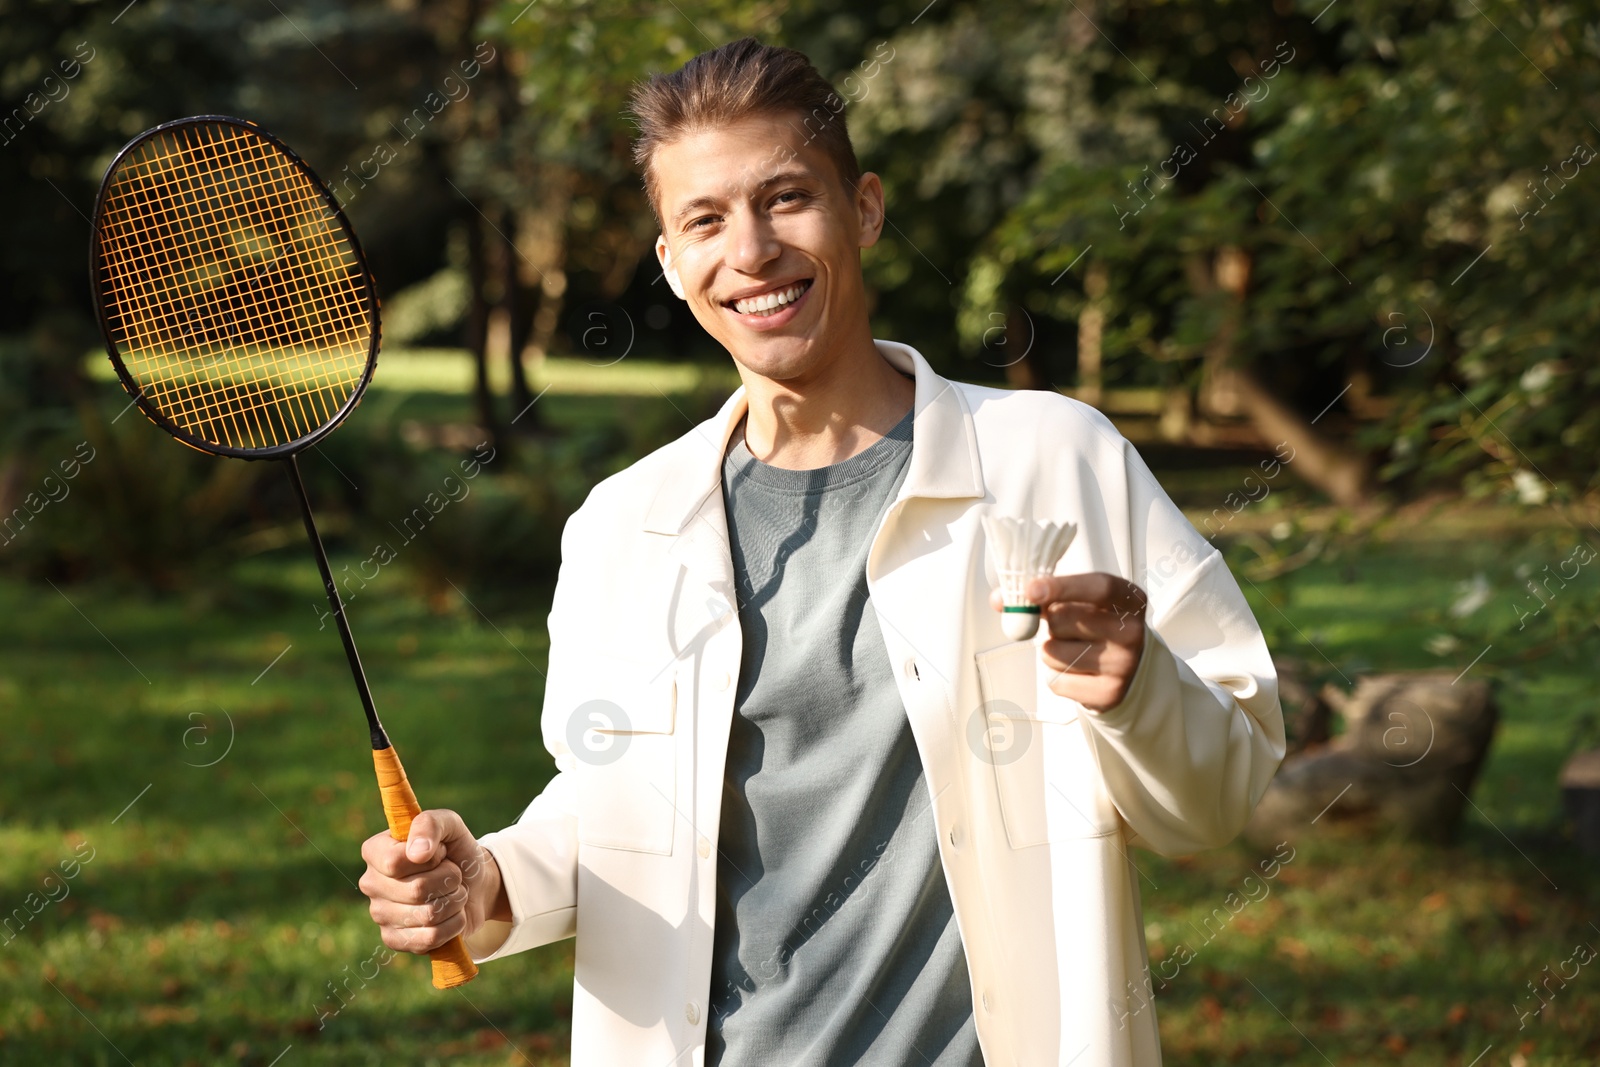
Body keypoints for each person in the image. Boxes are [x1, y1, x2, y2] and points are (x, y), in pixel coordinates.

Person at [358, 37, 1285, 1067]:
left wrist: (1136, 685)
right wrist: (487, 881)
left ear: (866, 209)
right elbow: (614, 802)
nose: (750, 251)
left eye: (786, 197)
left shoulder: (1056, 458)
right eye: (703, 219)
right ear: (669, 262)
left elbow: (1219, 797)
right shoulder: (622, 523)